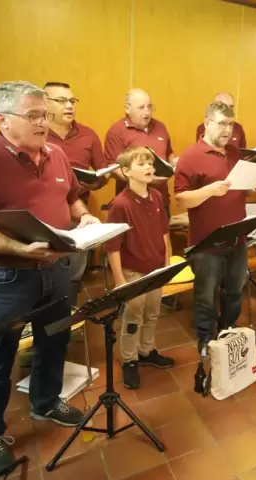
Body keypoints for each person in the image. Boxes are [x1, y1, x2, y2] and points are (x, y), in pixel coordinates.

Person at [0, 81, 98, 474]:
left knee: (54, 340)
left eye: (44, 114)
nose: (44, 122)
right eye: (33, 115)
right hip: (4, 278)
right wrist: (21, 250)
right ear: (3, 121)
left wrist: (82, 216)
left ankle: (46, 401)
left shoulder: (55, 155)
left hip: (54, 271)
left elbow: (71, 197)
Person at [175, 102, 256, 348]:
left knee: (235, 291)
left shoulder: (236, 153)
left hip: (237, 237)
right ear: (207, 123)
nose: (228, 130)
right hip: (207, 241)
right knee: (206, 296)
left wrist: (255, 186)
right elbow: (181, 198)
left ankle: (227, 330)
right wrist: (208, 190)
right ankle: (206, 337)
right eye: (221, 124)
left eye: (231, 124)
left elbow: (241, 191)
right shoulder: (190, 156)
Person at [104, 147, 175, 389]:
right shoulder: (120, 205)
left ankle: (146, 350)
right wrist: (120, 280)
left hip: (156, 268)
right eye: (142, 164)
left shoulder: (156, 196)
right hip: (133, 271)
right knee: (133, 316)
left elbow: (165, 232)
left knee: (152, 312)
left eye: (151, 164)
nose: (149, 168)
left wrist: (167, 262)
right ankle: (129, 360)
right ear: (126, 172)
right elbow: (112, 247)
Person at [44, 81, 107, 304]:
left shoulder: (88, 135)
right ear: (45, 102)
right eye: (61, 101)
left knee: (74, 271)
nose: (69, 106)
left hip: (77, 209)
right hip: (43, 213)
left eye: (72, 101)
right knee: (44, 270)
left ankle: (68, 315)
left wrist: (94, 182)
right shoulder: (36, 134)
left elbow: (102, 174)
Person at [103, 88, 178, 215]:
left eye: (149, 107)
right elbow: (113, 168)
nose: (147, 112)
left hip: (161, 200)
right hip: (131, 203)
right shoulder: (116, 131)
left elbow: (169, 154)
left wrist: (176, 162)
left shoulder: (160, 127)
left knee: (163, 235)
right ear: (127, 108)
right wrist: (145, 178)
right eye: (141, 108)